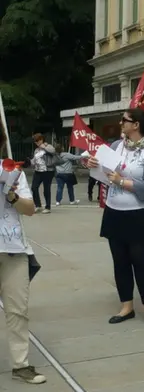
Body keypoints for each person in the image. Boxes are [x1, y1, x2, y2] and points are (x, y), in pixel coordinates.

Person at [87, 108, 144, 327]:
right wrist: (93, 165)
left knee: (140, 262)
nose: (121, 123)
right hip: (114, 211)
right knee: (120, 262)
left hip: (138, 214)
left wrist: (122, 182)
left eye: (125, 120)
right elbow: (103, 174)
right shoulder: (115, 146)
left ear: (136, 125)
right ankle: (126, 306)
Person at [0, 129, 46, 384]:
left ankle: (21, 365)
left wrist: (12, 194)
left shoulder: (11, 171)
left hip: (13, 250)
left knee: (18, 310)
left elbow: (30, 210)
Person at [29, 134, 56, 214]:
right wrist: (29, 162)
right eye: (35, 141)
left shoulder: (48, 146)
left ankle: (48, 207)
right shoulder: (36, 150)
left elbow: (53, 151)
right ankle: (38, 205)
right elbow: (34, 161)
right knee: (34, 187)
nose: (37, 142)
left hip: (48, 171)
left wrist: (44, 146)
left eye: (38, 140)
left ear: (41, 139)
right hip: (38, 171)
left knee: (46, 189)